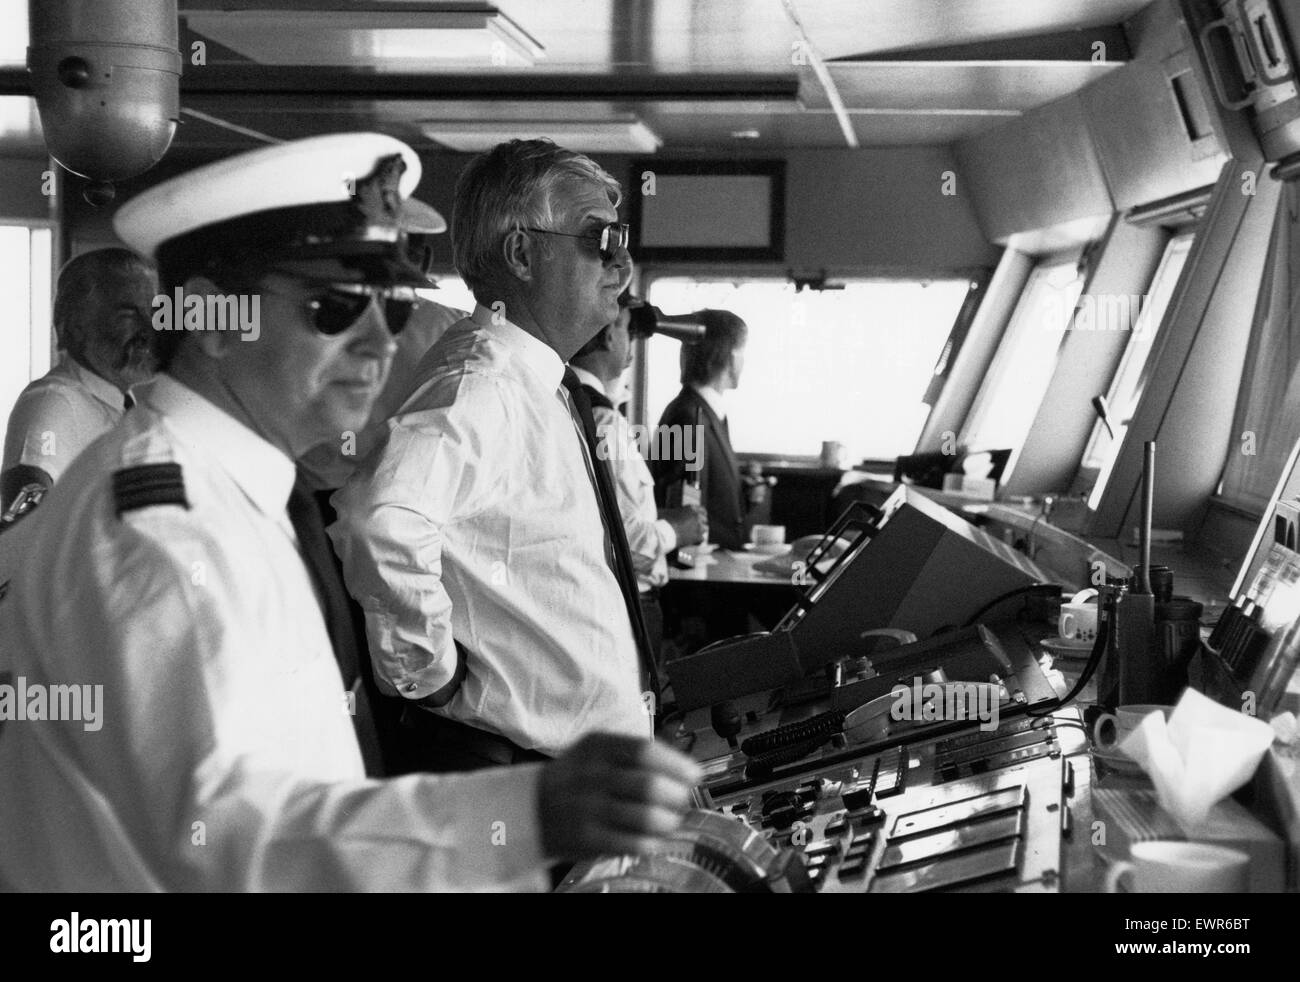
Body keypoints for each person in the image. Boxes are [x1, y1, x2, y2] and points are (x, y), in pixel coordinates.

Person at [0, 132, 700, 892]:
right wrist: (526, 812)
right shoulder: (164, 537)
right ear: (207, 314)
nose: (377, 344)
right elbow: (230, 842)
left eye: (392, 307)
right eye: (334, 306)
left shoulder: (244, 494)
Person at [330, 138, 657, 772]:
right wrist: (430, 672)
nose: (621, 266)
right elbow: (380, 520)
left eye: (621, 240)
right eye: (599, 240)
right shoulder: (483, 385)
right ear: (521, 253)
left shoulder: (538, 383)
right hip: (521, 773)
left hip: (582, 770)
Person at [568, 291, 707, 665]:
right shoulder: (604, 424)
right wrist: (674, 530)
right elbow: (616, 540)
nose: (632, 346)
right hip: (629, 605)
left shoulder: (569, 405)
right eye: (629, 332)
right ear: (611, 334)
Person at [1, 248, 157, 519]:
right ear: (75, 326)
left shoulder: (122, 405)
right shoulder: (53, 402)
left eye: (154, 313)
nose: (150, 328)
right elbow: (22, 518)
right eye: (128, 314)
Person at [652, 309, 750, 550]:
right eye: (743, 352)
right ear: (729, 356)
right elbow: (681, 506)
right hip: (700, 572)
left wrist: (744, 492)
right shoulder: (686, 416)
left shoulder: (707, 413)